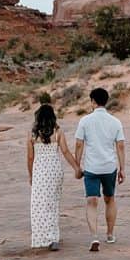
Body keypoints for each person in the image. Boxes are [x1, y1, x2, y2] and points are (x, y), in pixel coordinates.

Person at [74, 87, 126, 252]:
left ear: (93, 102)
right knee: (109, 199)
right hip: (109, 166)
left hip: (92, 168)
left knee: (91, 201)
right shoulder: (115, 122)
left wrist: (77, 165)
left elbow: (79, 144)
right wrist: (122, 168)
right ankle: (110, 234)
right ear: (106, 101)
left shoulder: (84, 121)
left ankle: (94, 236)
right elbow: (120, 146)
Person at [27, 104, 81, 251]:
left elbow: (30, 158)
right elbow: (65, 152)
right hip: (54, 171)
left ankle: (41, 238)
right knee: (52, 203)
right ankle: (53, 238)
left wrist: (31, 175)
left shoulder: (33, 134)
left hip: (40, 171)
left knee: (38, 204)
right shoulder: (57, 132)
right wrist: (76, 167)